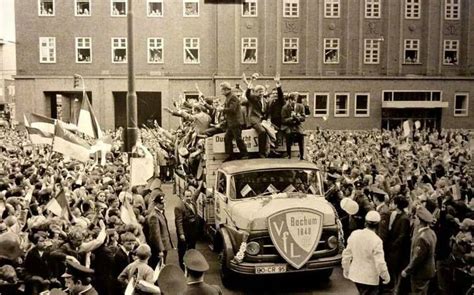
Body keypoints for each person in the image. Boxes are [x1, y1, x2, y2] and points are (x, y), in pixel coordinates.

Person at [342, 211, 390, 295]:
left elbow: (346, 255)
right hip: (370, 278)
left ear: (365, 223)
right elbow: (380, 263)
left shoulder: (354, 234)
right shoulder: (377, 240)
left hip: (356, 275)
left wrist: (346, 269)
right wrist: (386, 277)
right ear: (378, 225)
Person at [402, 206, 437, 295]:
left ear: (419, 220)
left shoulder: (422, 238)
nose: (414, 219)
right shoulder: (431, 233)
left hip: (420, 272)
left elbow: (417, 258)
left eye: (415, 217)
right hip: (428, 269)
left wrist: (407, 270)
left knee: (418, 292)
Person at [385, 196, 411, 295]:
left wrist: (392, 245)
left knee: (397, 272)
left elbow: (402, 236)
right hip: (395, 250)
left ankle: (397, 291)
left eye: (393, 203)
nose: (391, 204)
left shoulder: (404, 218)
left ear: (397, 205)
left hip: (399, 252)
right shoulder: (398, 216)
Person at [217, 82, 248, 161]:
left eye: (222, 90)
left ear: (226, 90)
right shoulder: (230, 97)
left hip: (235, 122)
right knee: (228, 138)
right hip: (232, 122)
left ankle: (244, 154)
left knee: (238, 138)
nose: (221, 91)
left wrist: (222, 109)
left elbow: (232, 109)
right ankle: (232, 155)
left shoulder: (232, 97)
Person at [145, 190, 173, 267]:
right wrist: (160, 250)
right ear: (156, 204)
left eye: (164, 203)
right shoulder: (154, 216)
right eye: (161, 203)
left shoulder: (160, 212)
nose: (164, 205)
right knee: (159, 267)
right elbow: (156, 235)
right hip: (160, 248)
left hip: (163, 245)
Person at [175, 188, 201, 270]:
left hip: (193, 232)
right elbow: (179, 222)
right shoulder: (179, 207)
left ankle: (191, 265)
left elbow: (196, 194)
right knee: (182, 250)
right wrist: (181, 234)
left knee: (192, 248)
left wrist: (201, 185)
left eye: (190, 196)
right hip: (185, 232)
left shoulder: (192, 202)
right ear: (183, 196)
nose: (189, 198)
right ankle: (182, 267)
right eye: (187, 196)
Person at [243, 82, 268, 158]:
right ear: (256, 93)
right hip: (254, 119)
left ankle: (270, 149)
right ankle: (261, 152)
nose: (261, 93)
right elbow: (248, 96)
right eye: (259, 92)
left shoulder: (264, 101)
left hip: (262, 120)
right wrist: (249, 88)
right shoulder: (254, 99)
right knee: (262, 132)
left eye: (262, 91)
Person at [281, 92, 305, 159]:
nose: (294, 102)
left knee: (301, 134)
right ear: (290, 100)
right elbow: (283, 120)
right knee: (288, 134)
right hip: (289, 125)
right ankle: (289, 154)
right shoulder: (285, 108)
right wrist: (291, 118)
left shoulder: (301, 106)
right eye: (293, 100)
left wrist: (297, 117)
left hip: (297, 125)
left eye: (295, 100)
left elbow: (303, 118)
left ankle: (302, 155)